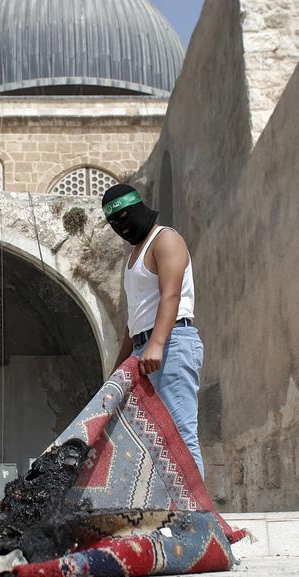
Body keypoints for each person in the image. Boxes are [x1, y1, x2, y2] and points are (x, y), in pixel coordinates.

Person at [102, 183, 205, 477]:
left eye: (124, 218)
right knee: (152, 440)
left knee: (180, 433)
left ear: (138, 207)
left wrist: (157, 344)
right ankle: (172, 511)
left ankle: (197, 518)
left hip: (172, 343)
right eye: (113, 223)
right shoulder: (134, 256)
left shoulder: (166, 239)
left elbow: (170, 295)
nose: (121, 227)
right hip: (143, 349)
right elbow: (134, 318)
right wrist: (119, 368)